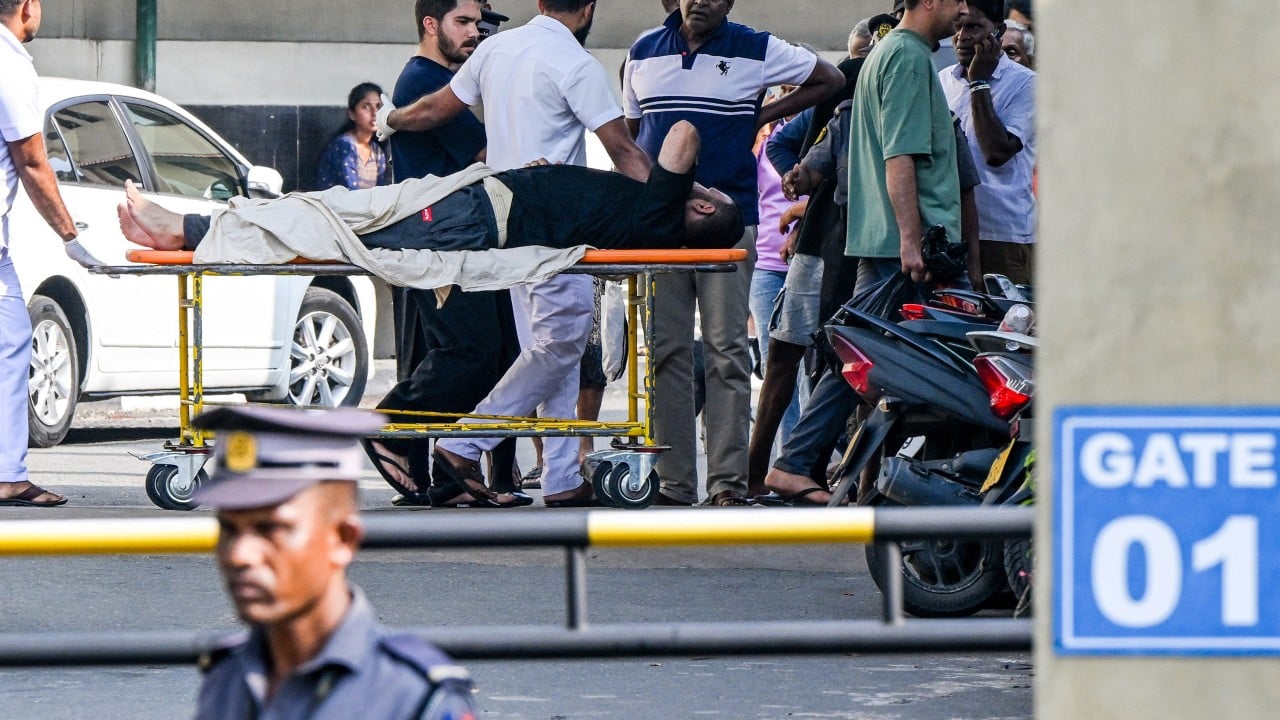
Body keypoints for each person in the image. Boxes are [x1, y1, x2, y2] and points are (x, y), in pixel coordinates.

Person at [376, 0, 655, 508]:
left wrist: (390, 119)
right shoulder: (576, 63)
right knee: (560, 343)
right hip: (553, 224)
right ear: (589, 9)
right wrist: (673, 206)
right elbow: (624, 152)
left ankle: (562, 477)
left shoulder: (497, 49)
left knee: (549, 350)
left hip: (503, 230)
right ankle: (465, 443)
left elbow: (435, 109)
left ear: (541, 2)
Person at [624, 0, 844, 507]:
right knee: (666, 352)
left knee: (726, 351)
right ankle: (673, 484)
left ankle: (726, 483)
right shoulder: (642, 50)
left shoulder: (755, 47)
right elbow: (634, 138)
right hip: (662, 224)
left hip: (729, 221)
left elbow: (829, 78)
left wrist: (759, 115)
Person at [764, 0, 971, 505]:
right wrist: (910, 240)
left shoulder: (890, 54)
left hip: (890, 243)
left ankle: (797, 463)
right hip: (909, 249)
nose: (965, 10)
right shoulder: (906, 57)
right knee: (961, 353)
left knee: (860, 356)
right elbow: (900, 156)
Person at [189, 405, 478, 719]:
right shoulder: (227, 678)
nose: (239, 555)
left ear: (342, 539)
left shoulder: (412, 697)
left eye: (271, 529)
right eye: (229, 530)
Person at [370, 0, 522, 508]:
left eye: (478, 23)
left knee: (491, 353)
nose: (475, 32)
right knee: (473, 351)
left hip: (459, 239)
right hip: (440, 243)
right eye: (463, 22)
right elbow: (486, 155)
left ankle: (448, 471)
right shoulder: (426, 81)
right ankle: (391, 426)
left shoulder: (441, 80)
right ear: (431, 24)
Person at [0, 0, 85, 508]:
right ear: (28, 6)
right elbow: (32, 161)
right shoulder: (7, 64)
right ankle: (6, 476)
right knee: (8, 346)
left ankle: (7, 473)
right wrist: (71, 236)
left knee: (10, 340)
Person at [940, 0, 1036, 285]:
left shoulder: (1026, 84)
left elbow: (996, 152)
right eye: (957, 27)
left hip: (1003, 234)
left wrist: (979, 82)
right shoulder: (943, 80)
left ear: (998, 31)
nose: (962, 37)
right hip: (952, 231)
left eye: (973, 27)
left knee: (1006, 311)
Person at [316, 83, 391, 191]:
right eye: (366, 107)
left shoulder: (377, 151)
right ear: (352, 114)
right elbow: (350, 191)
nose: (375, 113)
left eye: (378, 106)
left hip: (365, 202)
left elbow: (379, 192)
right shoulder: (345, 145)